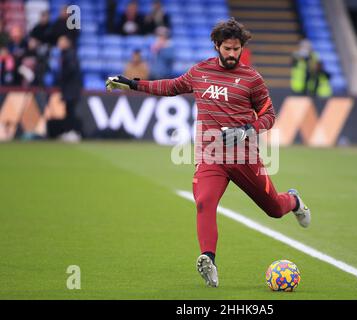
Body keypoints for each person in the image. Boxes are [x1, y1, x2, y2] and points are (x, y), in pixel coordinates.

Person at [105, 18, 311, 288]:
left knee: (273, 208)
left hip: (244, 158)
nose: (232, 54)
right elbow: (170, 87)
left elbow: (270, 116)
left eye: (236, 49)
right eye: (227, 48)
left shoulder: (252, 79)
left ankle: (293, 201)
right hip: (211, 157)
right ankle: (208, 259)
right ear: (217, 46)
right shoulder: (200, 71)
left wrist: (247, 130)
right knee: (204, 202)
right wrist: (132, 84)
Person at [55, 35, 82, 142]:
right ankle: (68, 132)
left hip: (71, 89)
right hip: (69, 88)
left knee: (71, 111)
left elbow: (71, 69)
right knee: (68, 110)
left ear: (66, 43)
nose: (58, 44)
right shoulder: (66, 54)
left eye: (60, 42)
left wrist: (61, 76)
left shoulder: (69, 54)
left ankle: (72, 132)